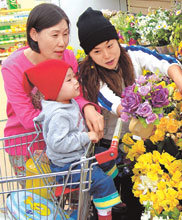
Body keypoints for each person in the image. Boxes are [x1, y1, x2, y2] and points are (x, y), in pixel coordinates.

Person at [76, 7, 182, 219]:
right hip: (107, 146)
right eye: (96, 51)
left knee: (138, 196)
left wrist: (180, 80)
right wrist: (137, 109)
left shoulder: (132, 54)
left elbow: (164, 62)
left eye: (109, 45)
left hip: (139, 141)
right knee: (112, 201)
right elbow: (111, 102)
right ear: (89, 54)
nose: (106, 55)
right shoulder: (90, 74)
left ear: (116, 40)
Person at [1, 3, 103, 178]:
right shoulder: (13, 66)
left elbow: (75, 95)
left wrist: (88, 108)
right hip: (29, 147)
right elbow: (27, 118)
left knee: (73, 200)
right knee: (39, 204)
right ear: (34, 34)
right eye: (54, 35)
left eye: (65, 34)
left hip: (66, 148)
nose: (62, 42)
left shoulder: (67, 57)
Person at [24, 59, 120, 220]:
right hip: (67, 168)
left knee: (107, 159)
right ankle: (105, 211)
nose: (76, 82)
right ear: (53, 88)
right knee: (101, 182)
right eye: (69, 80)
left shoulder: (69, 102)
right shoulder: (58, 115)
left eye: (74, 77)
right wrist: (87, 136)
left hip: (78, 157)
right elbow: (59, 143)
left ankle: (108, 198)